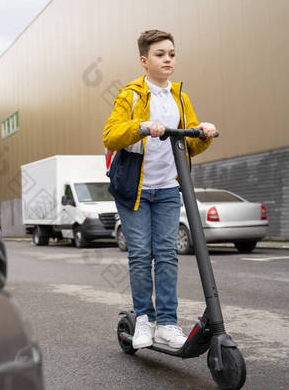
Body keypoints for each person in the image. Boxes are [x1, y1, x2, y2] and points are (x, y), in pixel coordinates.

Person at [102, 30, 217, 349]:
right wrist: (141, 127)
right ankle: (143, 320)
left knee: (167, 255)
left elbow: (191, 146)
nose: (168, 59)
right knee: (141, 255)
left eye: (172, 54)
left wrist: (203, 133)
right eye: (160, 54)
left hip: (168, 187)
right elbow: (110, 135)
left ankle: (167, 323)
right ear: (144, 60)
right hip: (135, 191)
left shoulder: (180, 97)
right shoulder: (131, 95)